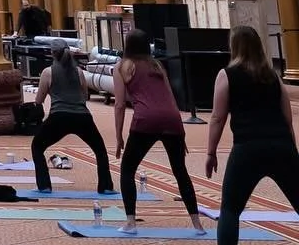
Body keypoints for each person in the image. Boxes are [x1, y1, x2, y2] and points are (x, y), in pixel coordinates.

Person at [203, 25, 299, 245]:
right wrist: (292, 153)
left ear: (234, 46)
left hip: (247, 148)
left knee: (231, 208)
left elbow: (217, 118)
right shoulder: (273, 75)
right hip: (281, 146)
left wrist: (211, 153)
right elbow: (287, 118)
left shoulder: (227, 75)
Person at [112, 30, 204, 233]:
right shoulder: (157, 65)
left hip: (146, 119)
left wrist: (118, 136)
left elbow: (119, 105)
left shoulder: (121, 66)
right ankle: (197, 224)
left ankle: (130, 222)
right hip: (172, 119)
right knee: (180, 171)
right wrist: (180, 130)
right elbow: (171, 98)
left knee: (128, 169)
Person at [29, 45, 114, 194]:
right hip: (83, 116)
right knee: (100, 150)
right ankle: (106, 186)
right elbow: (84, 95)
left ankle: (44, 186)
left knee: (37, 146)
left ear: (52, 54)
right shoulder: (79, 71)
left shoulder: (48, 72)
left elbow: (39, 100)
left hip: (58, 117)